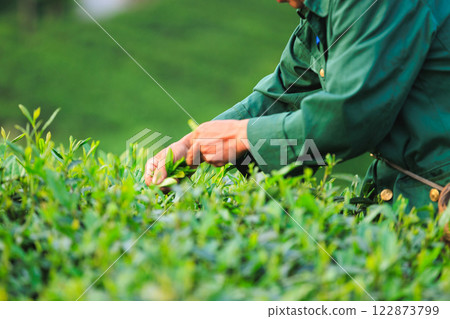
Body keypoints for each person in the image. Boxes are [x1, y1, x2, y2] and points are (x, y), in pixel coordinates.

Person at [145, 0, 450, 211]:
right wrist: (192, 144)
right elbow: (286, 92)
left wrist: (241, 136)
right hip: (401, 190)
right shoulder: (325, 9)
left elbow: (351, 117)